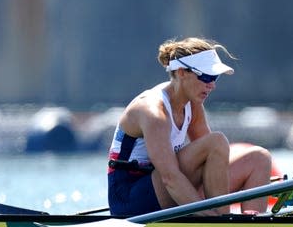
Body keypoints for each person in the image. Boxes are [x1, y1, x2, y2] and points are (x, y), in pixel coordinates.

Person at [107, 37, 272, 216]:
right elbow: (170, 178)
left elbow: (213, 163)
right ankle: (223, 225)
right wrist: (212, 217)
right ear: (181, 72)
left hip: (161, 187)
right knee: (216, 142)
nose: (212, 85)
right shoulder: (153, 112)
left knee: (259, 158)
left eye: (215, 77)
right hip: (129, 198)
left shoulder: (192, 104)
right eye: (206, 77)